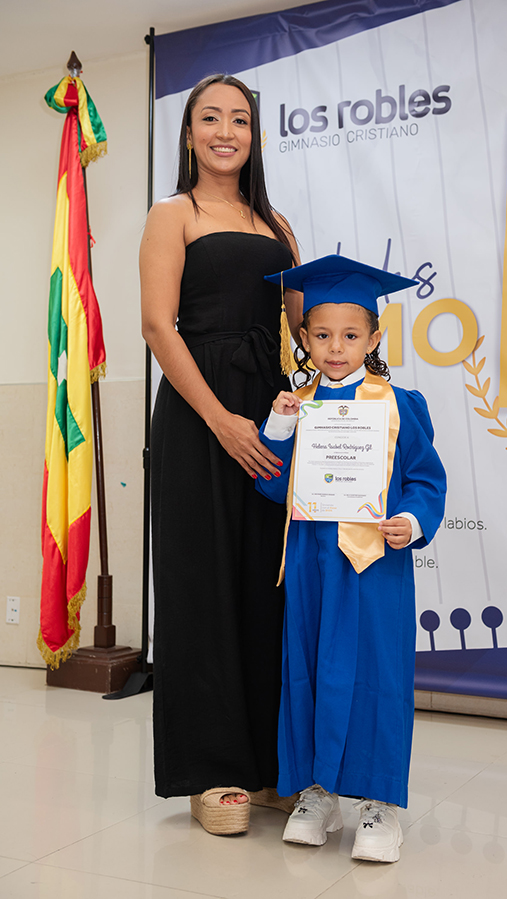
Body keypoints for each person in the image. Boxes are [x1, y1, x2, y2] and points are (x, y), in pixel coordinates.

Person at [140, 73, 303, 835]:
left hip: (269, 411)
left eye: (240, 119)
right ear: (189, 134)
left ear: (255, 136)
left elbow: (304, 325)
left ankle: (267, 764)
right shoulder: (171, 213)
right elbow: (158, 326)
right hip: (198, 412)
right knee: (200, 584)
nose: (226, 131)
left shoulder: (278, 223)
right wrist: (222, 421)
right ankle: (210, 772)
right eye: (211, 118)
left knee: (266, 583)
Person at [256, 256, 446, 863]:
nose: (335, 348)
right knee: (307, 670)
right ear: (304, 337)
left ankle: (379, 803)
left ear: (373, 338)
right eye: (321, 335)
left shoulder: (399, 404)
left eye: (349, 335)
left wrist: (412, 520)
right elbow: (272, 487)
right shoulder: (299, 405)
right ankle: (315, 793)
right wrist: (277, 428)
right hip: (311, 561)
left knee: (376, 675)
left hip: (373, 565)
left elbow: (425, 480)